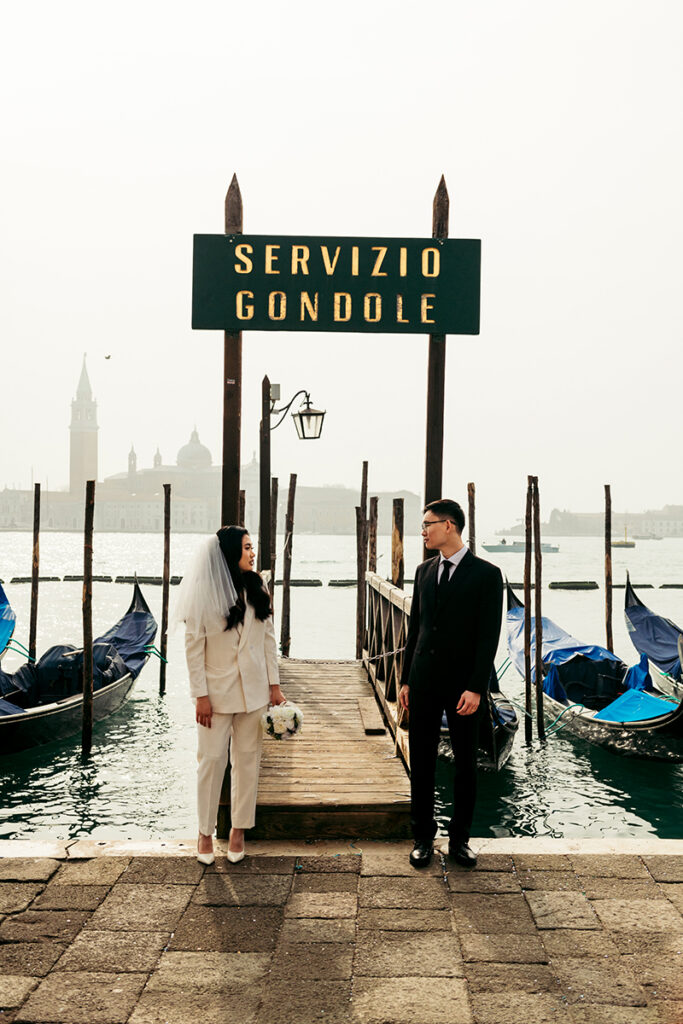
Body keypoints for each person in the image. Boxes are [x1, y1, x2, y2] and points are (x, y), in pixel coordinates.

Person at [399, 499, 503, 869]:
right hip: (423, 682)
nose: (423, 531)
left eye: (428, 524)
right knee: (422, 762)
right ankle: (422, 838)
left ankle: (460, 840)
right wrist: (406, 679)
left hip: (463, 689)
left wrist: (476, 688)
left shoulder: (488, 575)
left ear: (450, 526)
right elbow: (416, 629)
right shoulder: (423, 571)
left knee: (465, 766)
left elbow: (488, 637)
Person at [176, 526, 285, 865]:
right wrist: (200, 696)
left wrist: (274, 685)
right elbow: (193, 647)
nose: (253, 553)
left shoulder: (259, 585)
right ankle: (204, 832)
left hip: (254, 693)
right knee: (210, 762)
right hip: (215, 695)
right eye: (247, 547)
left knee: (248, 762)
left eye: (253, 546)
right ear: (228, 552)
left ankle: (239, 830)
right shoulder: (202, 590)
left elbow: (267, 639)